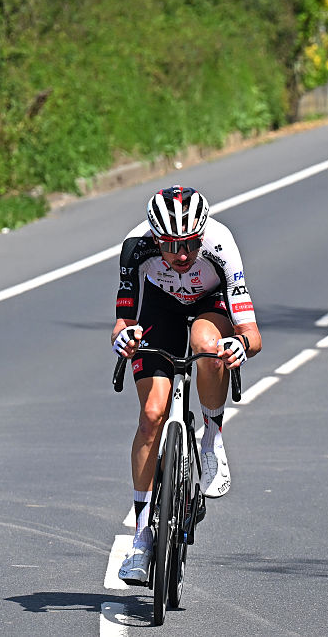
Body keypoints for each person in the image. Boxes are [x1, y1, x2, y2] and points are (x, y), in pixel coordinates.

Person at [112, 185, 262, 583]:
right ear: (154, 237)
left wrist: (239, 345)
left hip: (210, 306)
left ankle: (211, 438)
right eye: (171, 246)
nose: (182, 255)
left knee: (207, 346)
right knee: (151, 416)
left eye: (191, 244)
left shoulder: (220, 243)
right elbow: (124, 320)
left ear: (202, 235)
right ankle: (142, 538)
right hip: (159, 309)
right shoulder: (135, 247)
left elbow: (251, 332)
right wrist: (123, 338)